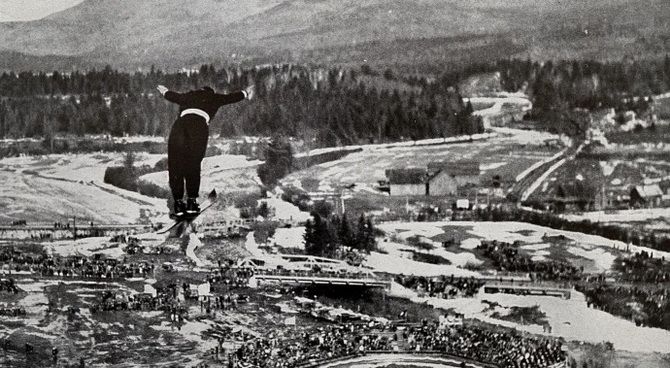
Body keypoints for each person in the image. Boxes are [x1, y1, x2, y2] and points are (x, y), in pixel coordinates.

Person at [157, 83, 254, 217]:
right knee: (193, 163)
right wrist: (245, 93)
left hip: (179, 126)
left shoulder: (188, 96)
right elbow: (231, 98)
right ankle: (191, 202)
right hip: (198, 127)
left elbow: (173, 96)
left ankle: (178, 203)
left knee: (175, 164)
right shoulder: (213, 97)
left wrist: (164, 91)